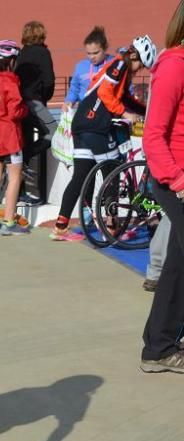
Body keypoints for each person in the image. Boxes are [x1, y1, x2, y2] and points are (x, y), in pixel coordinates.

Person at [50, 36, 154, 241]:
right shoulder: (121, 64)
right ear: (135, 56)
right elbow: (106, 93)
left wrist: (146, 111)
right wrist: (125, 114)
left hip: (81, 124)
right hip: (95, 125)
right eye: (140, 64)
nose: (138, 69)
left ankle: (60, 227)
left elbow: (125, 99)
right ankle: (111, 227)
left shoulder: (120, 69)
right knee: (113, 172)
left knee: (80, 176)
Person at [140, 4, 184, 372]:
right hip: (177, 180)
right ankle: (159, 346)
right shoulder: (174, 64)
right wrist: (178, 181)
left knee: (178, 264)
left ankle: (159, 345)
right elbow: (154, 134)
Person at [0, 40, 30, 236]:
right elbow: (15, 111)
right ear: (11, 60)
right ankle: (9, 221)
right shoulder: (10, 81)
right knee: (14, 178)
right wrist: (27, 109)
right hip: (10, 138)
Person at [15, 20, 57, 156]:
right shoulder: (43, 53)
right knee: (53, 132)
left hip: (19, 102)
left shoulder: (20, 53)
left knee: (25, 136)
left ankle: (23, 165)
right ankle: (25, 155)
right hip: (35, 101)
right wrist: (43, 97)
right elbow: (49, 80)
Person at [64, 26, 114, 110]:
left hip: (108, 111)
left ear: (104, 48)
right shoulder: (81, 67)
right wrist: (69, 101)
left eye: (95, 53)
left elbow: (126, 89)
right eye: (89, 53)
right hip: (85, 111)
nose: (92, 57)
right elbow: (74, 88)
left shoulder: (114, 64)